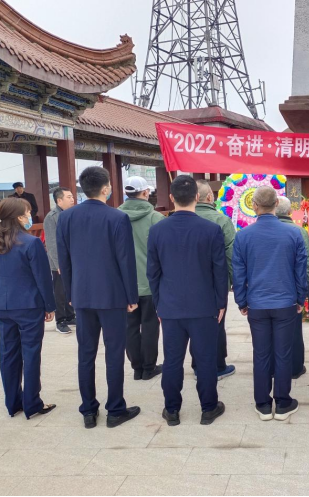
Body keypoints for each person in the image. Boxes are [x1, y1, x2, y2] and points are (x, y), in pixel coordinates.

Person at [57, 166, 141, 430]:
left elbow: (64, 261)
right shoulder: (117, 217)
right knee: (114, 353)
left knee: (86, 353)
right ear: (106, 188)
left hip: (82, 294)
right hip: (113, 295)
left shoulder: (66, 217)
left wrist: (71, 293)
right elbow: (126, 260)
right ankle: (115, 409)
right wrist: (131, 296)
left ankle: (88, 410)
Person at [147, 175, 228, 427]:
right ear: (197, 196)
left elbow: (153, 272)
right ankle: (208, 408)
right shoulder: (211, 229)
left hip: (170, 306)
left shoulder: (157, 230)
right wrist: (221, 303)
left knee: (172, 360)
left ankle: (172, 410)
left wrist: (159, 303)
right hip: (204, 306)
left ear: (171, 197)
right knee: (205, 360)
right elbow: (219, 271)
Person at [233, 186, 308, 422]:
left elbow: (238, 273)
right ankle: (283, 402)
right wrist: (300, 298)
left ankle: (263, 404)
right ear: (276, 204)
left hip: (257, 302)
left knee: (261, 353)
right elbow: (300, 271)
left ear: (254, 206)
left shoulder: (243, 235)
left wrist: (241, 301)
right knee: (283, 353)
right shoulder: (293, 233)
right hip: (285, 301)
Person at [0, 198, 57, 420]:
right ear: (18, 217)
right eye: (27, 212)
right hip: (29, 305)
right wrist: (49, 306)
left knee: (8, 354)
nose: (29, 216)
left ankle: (13, 403)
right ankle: (32, 403)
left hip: (3, 306)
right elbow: (43, 278)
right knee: (31, 354)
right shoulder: (31, 243)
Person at [119, 177, 165, 381]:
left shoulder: (115, 216)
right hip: (150, 282)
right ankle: (149, 367)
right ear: (145, 193)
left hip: (123, 284)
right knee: (150, 326)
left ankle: (136, 367)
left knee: (129, 327)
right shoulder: (156, 218)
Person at [194, 179, 237, 381]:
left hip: (184, 284)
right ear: (210, 197)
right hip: (214, 282)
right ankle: (218, 365)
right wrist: (234, 281)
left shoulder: (178, 219)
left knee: (192, 325)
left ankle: (197, 364)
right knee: (216, 324)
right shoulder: (221, 220)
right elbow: (231, 254)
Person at [276, 196, 309, 379]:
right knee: (294, 332)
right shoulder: (299, 231)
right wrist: (304, 292)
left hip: (264, 294)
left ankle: (273, 368)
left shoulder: (260, 229)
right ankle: (295, 368)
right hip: (291, 292)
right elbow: (307, 263)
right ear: (290, 212)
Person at [43, 187, 76, 335]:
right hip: (59, 263)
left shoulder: (72, 214)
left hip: (73, 260)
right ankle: (60, 320)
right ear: (59, 200)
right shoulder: (52, 217)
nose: (72, 199)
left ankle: (70, 316)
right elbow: (51, 244)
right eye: (68, 197)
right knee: (60, 292)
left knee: (70, 289)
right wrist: (59, 264)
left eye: (72, 196)